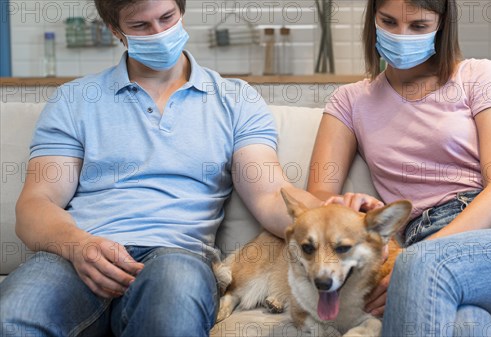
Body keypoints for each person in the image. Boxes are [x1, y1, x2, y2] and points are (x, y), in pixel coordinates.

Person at [0, 0, 319, 336]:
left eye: (167, 18)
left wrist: (336, 214)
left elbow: (270, 196)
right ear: (115, 31)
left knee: (171, 315)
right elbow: (35, 205)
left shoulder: (235, 100)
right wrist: (78, 246)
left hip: (176, 258)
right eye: (140, 26)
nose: (159, 33)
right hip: (78, 255)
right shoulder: (74, 100)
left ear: (181, 12)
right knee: (13, 316)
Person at [307, 0, 491, 336]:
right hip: (430, 248)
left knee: (420, 265)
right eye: (389, 22)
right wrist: (345, 209)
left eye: (419, 26)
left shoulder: (479, 75)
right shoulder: (349, 101)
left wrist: (419, 259)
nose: (401, 35)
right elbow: (318, 195)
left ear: (442, 25)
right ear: (372, 21)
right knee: (467, 326)